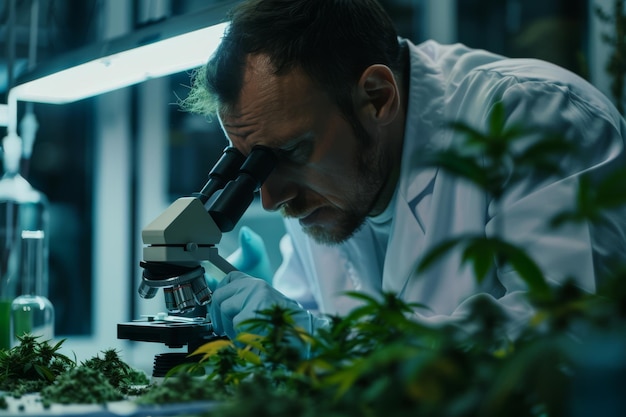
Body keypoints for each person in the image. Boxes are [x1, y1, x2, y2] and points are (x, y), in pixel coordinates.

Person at [182, 0, 626, 343]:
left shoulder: (535, 114)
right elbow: (303, 321)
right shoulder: (321, 184)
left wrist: (328, 345)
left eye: (291, 151)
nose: (270, 197)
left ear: (377, 97)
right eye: (249, 164)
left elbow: (566, 338)